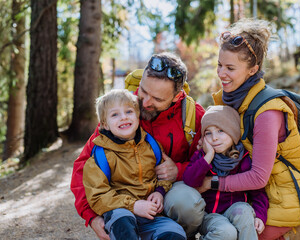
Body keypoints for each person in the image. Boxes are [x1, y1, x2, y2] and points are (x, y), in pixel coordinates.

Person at [70, 52, 206, 240]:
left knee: (187, 205)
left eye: (157, 99)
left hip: (164, 194)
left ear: (176, 97)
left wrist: (178, 171)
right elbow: (84, 166)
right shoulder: (122, 109)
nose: (145, 103)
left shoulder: (193, 116)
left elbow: (208, 164)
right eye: (143, 91)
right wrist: (91, 217)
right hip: (122, 201)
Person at [203, 18, 300, 239]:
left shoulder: (267, 113)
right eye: (219, 65)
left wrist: (210, 183)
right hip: (245, 198)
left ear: (253, 69)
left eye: (230, 68)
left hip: (278, 202)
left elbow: (258, 178)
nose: (221, 73)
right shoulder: (231, 101)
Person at [83, 89, 186, 240]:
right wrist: (134, 206)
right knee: (123, 219)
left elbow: (163, 176)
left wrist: (159, 192)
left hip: (151, 215)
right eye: (115, 114)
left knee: (175, 232)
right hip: (120, 212)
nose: (123, 117)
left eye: (129, 111)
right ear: (104, 124)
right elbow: (98, 195)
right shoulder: (100, 156)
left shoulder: (151, 145)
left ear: (138, 116)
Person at [183, 105, 269, 240]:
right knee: (225, 231)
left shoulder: (244, 159)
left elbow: (258, 192)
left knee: (245, 210)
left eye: (220, 131)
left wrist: (260, 216)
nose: (214, 138)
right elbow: (189, 180)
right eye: (208, 133)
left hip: (235, 210)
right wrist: (208, 156)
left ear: (233, 132)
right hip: (209, 215)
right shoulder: (202, 157)